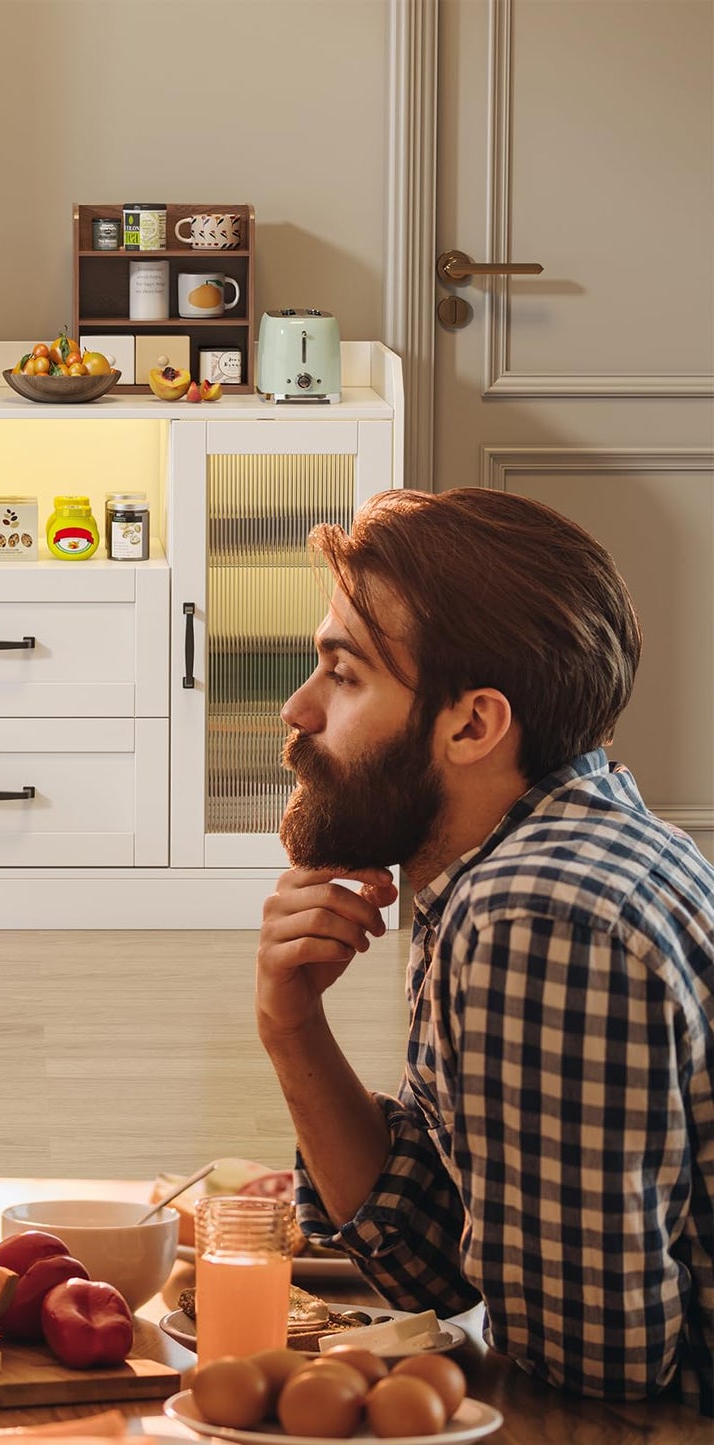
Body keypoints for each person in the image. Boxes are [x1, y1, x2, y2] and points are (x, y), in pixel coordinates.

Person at [254, 487, 713, 1414]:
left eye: (343, 676)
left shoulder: (534, 916)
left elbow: (593, 1375)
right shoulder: (555, 851)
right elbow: (434, 1262)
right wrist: (290, 1024)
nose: (296, 710)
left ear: (472, 725)